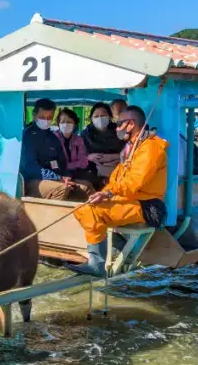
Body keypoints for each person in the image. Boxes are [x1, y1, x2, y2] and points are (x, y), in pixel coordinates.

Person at [70, 105, 168, 277]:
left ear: (130, 124)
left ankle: (98, 263)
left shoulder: (150, 148)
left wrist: (107, 194)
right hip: (131, 200)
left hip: (146, 206)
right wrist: (103, 193)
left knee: (90, 211)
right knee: (84, 209)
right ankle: (110, 253)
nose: (116, 128)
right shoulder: (132, 147)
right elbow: (116, 180)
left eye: (119, 124)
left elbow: (133, 183)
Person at [19, 99, 91, 201]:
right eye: (42, 117)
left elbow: (62, 163)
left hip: (56, 179)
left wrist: (66, 177)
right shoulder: (26, 136)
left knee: (85, 187)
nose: (46, 121)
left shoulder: (53, 138)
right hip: (32, 180)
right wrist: (57, 178)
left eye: (49, 118)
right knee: (61, 189)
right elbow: (31, 167)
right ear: (34, 115)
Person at [81, 102, 125, 184]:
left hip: (117, 167)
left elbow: (127, 149)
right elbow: (79, 154)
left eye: (103, 115)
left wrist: (113, 156)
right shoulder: (85, 134)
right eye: (96, 116)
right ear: (91, 118)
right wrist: (88, 157)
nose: (100, 118)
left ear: (110, 116)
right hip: (93, 169)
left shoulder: (119, 130)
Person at [55, 108, 96, 188]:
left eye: (69, 122)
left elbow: (83, 162)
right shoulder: (53, 139)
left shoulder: (79, 140)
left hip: (75, 172)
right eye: (63, 122)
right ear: (58, 124)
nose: (66, 124)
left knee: (93, 178)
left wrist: (68, 166)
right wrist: (72, 165)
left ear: (75, 124)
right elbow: (54, 163)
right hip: (58, 173)